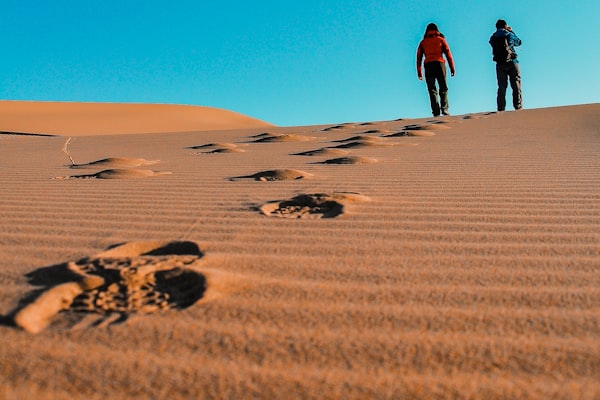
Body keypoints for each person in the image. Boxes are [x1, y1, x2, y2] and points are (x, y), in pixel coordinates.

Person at [416, 23, 455, 116]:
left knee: (432, 89)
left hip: (428, 66)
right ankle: (445, 109)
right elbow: (448, 55)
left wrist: (419, 72)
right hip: (439, 64)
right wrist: (452, 68)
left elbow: (418, 58)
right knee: (443, 87)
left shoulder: (423, 42)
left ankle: (436, 112)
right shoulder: (441, 40)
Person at [489, 19, 522, 111]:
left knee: (502, 87)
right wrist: (511, 31)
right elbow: (519, 42)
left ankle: (501, 108)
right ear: (505, 25)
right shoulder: (509, 34)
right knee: (516, 84)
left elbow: (491, 44)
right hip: (512, 61)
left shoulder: (493, 37)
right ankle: (518, 106)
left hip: (500, 64)